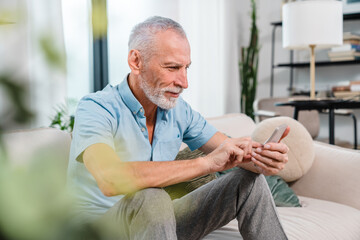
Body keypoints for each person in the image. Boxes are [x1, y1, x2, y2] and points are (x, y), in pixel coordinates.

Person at [67, 16, 290, 240]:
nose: (184, 82)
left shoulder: (178, 111)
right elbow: (110, 179)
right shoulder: (96, 108)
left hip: (156, 227)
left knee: (249, 182)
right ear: (136, 61)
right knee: (152, 197)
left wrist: (263, 160)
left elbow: (229, 150)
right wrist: (206, 163)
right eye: (172, 67)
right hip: (100, 231)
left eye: (186, 68)